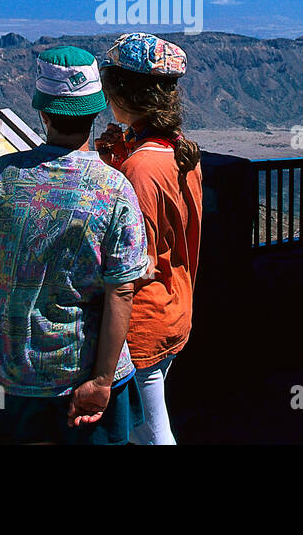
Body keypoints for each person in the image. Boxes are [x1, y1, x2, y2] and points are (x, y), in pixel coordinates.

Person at [0, 46, 150, 444]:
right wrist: (102, 382)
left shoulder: (2, 177)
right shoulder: (114, 190)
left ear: (43, 112)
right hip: (81, 376)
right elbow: (122, 288)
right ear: (95, 113)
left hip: (11, 375)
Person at [95, 33, 202, 445]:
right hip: (176, 309)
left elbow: (138, 265)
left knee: (152, 435)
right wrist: (121, 161)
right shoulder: (179, 153)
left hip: (143, 324)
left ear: (122, 94)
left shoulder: (140, 169)